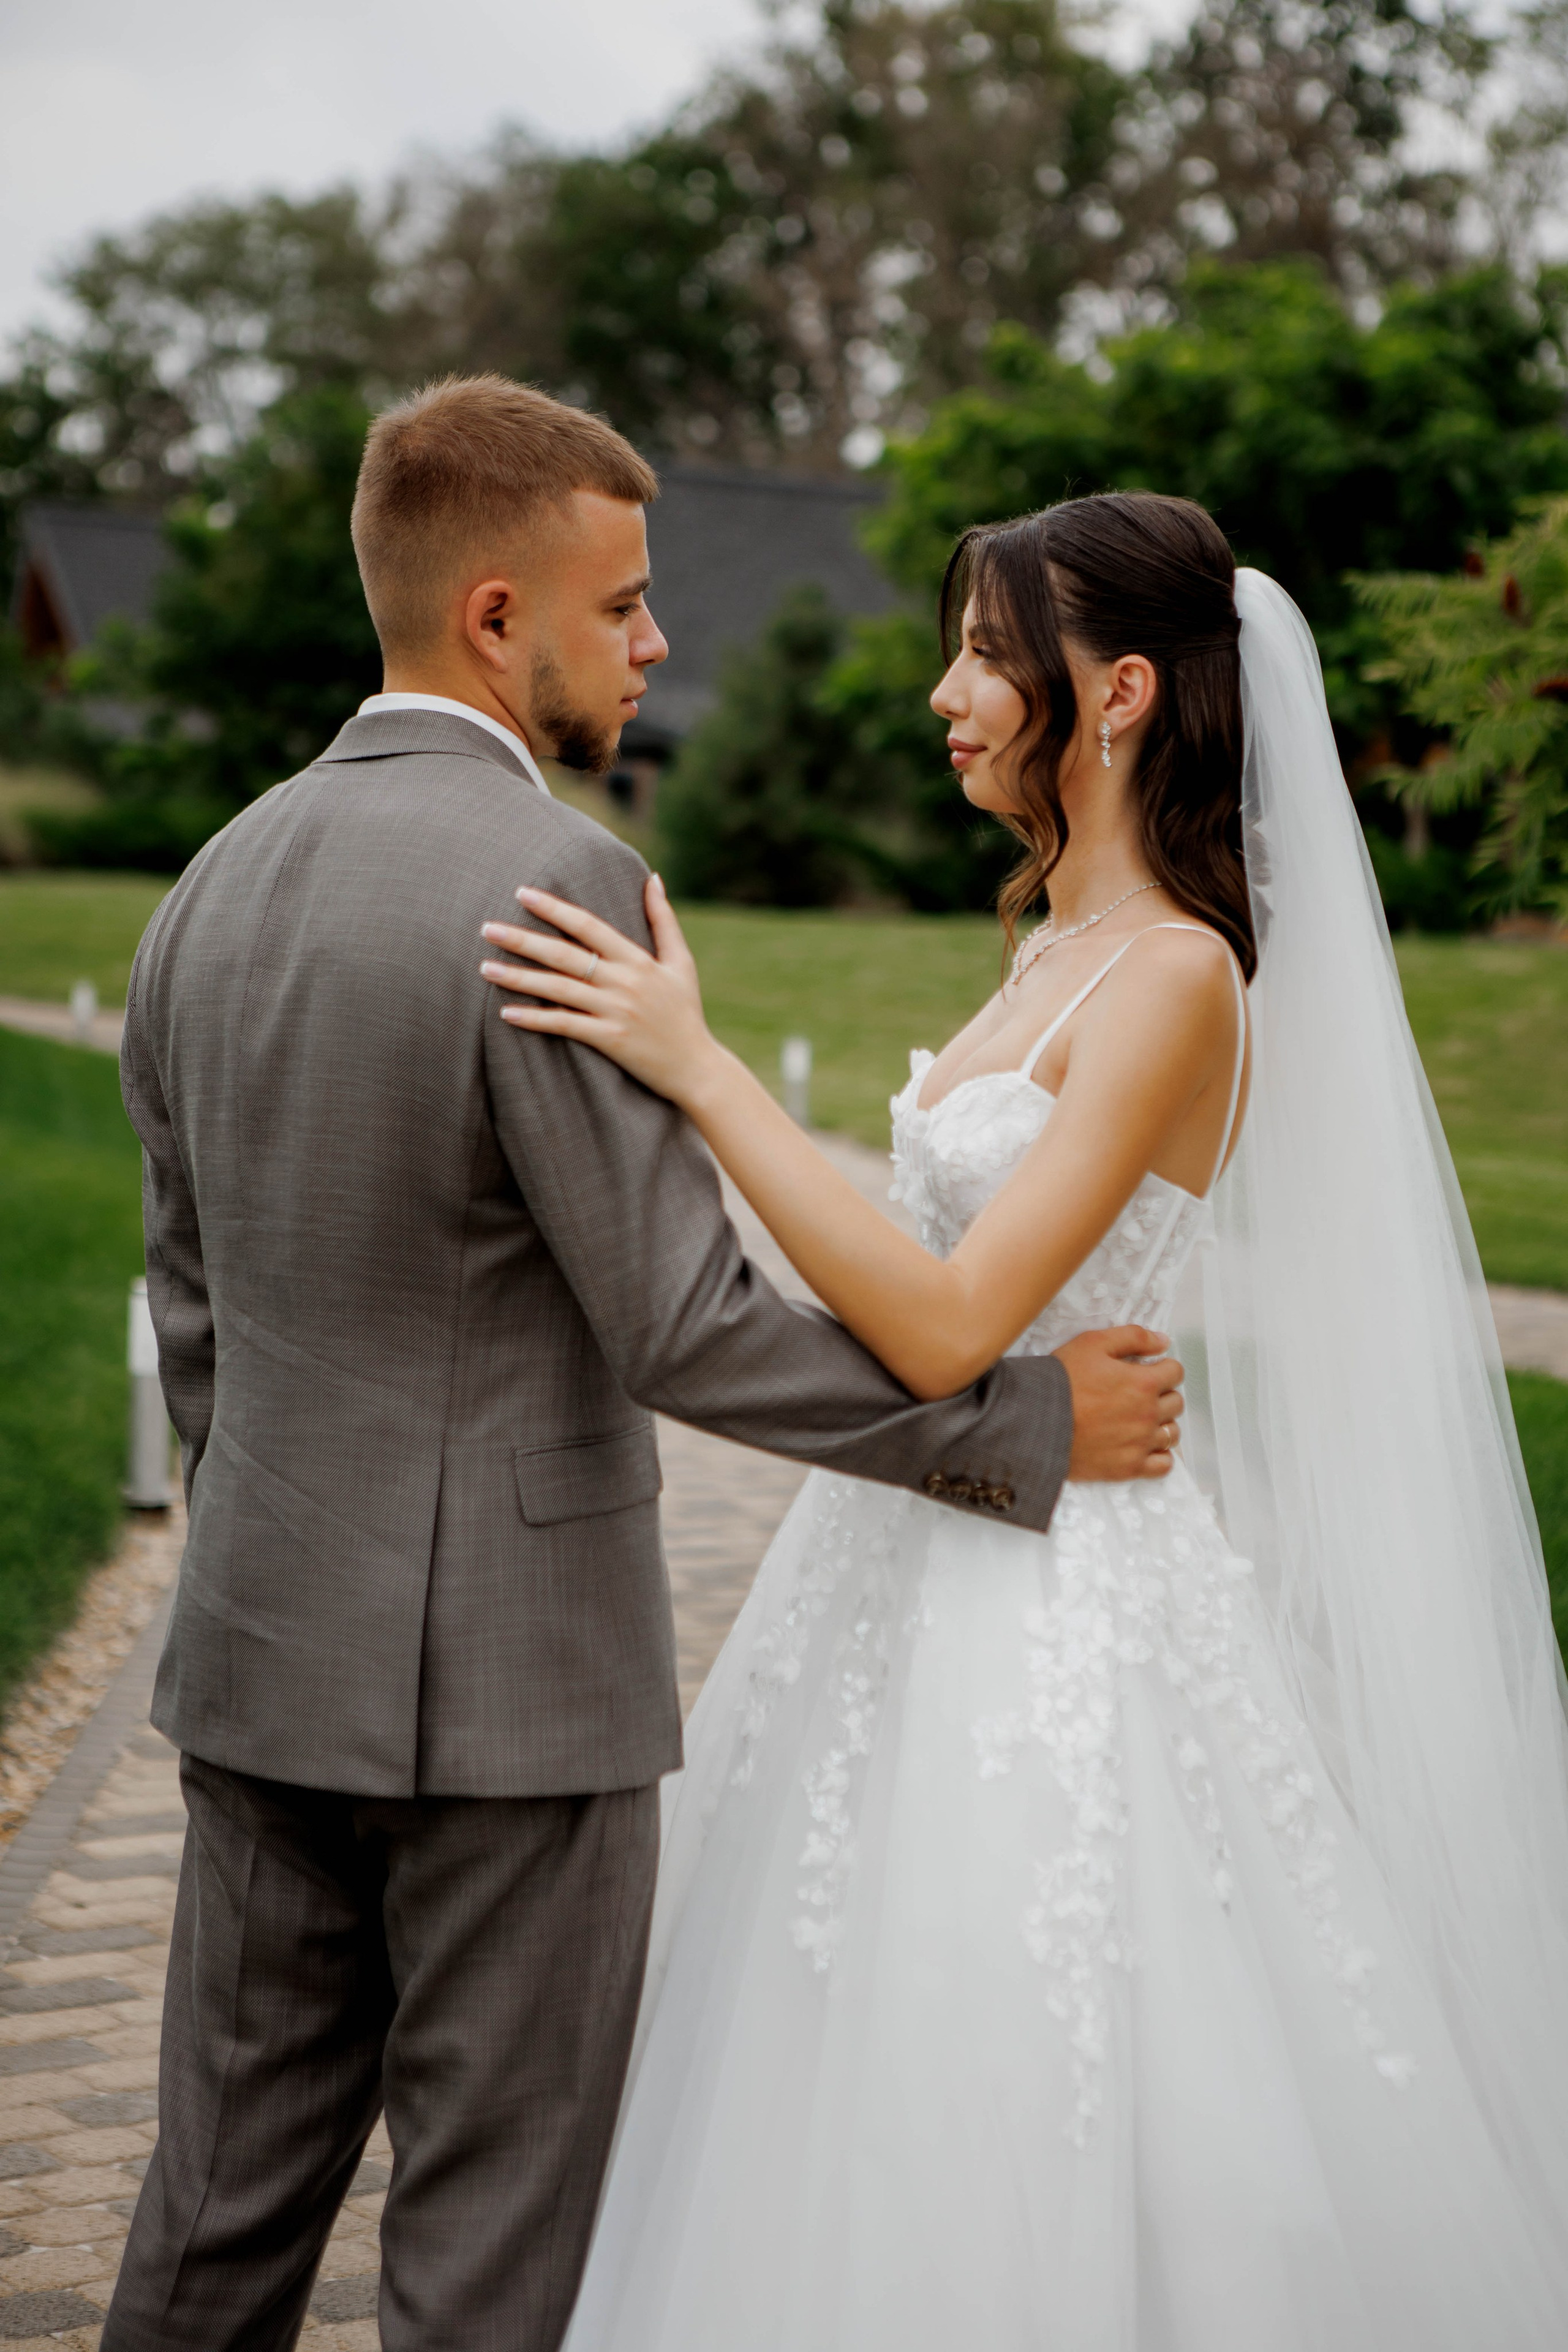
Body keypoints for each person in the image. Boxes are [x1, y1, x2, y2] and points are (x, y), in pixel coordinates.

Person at [102, 382, 1181, 2352]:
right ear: (499, 619)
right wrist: (1017, 1416)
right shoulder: (559, 885)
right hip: (514, 1720)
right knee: (493, 2253)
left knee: (212, 2220)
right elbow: (682, 1319)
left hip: (258, 1662)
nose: (660, 645)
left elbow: (197, 1319)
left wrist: (275, 1533)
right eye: (625, 609)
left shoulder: (207, 891)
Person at [480, 491, 1568, 2349]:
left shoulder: (1175, 978)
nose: (946, 695)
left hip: (1061, 1596)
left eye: (990, 655)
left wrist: (700, 1067)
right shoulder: (1050, 952)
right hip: (913, 1551)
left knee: (1041, 2039)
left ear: (1122, 692)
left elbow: (950, 1322)